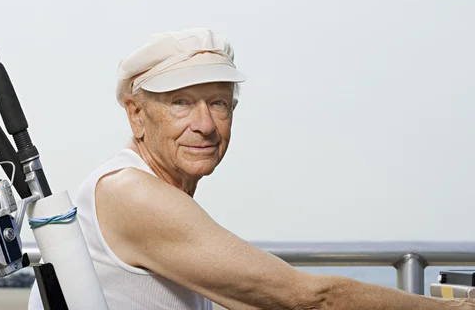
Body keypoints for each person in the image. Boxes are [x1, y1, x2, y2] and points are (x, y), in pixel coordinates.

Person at [29, 28, 473, 309]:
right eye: (181, 103)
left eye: (218, 103)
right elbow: (305, 299)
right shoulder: (131, 193)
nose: (204, 125)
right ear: (136, 115)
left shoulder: (148, 188)